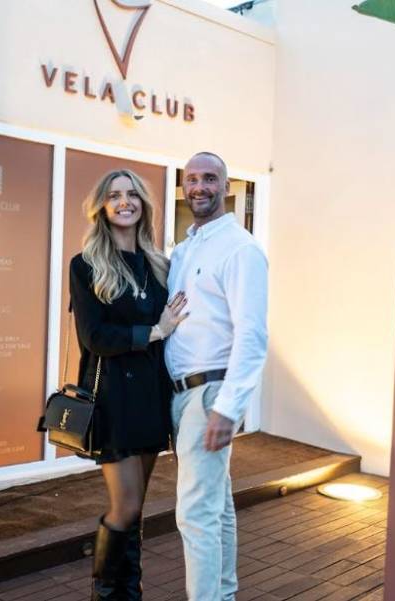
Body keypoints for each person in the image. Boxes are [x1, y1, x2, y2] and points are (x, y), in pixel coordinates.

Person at [69, 169, 187, 600]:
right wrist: (155, 331)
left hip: (151, 398)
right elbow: (94, 337)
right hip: (113, 399)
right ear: (102, 206)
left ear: (144, 204)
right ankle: (105, 593)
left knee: (137, 511)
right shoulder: (86, 265)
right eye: (115, 195)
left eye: (132, 194)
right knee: (126, 506)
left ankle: (129, 593)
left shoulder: (160, 265)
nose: (125, 202)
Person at [166, 152, 268, 600]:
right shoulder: (184, 249)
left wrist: (228, 408)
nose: (200, 187)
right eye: (192, 179)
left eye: (210, 179)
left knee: (195, 515)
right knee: (216, 506)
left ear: (226, 187)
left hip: (209, 394)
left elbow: (252, 335)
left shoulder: (240, 249)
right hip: (183, 396)